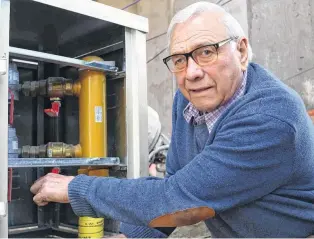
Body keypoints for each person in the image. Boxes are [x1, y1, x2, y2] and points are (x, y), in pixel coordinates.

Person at [30, 2, 314, 238]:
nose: (191, 73)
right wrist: (132, 236)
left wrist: (75, 188)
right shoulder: (190, 99)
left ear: (240, 51)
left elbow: (178, 199)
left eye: (206, 52)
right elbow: (177, 187)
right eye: (179, 59)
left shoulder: (269, 117)